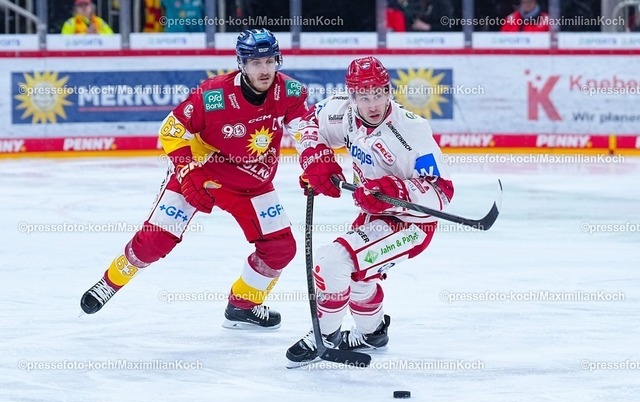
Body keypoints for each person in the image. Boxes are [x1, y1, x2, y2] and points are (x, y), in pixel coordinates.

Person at [80, 29, 309, 330]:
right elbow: (171, 129)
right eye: (256, 63)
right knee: (154, 241)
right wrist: (189, 172)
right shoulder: (213, 95)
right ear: (242, 64)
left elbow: (306, 133)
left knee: (280, 248)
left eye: (269, 61)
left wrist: (314, 163)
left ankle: (243, 305)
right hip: (204, 171)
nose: (264, 70)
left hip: (253, 182)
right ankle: (110, 282)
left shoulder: (290, 92)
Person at [285, 56, 454, 367]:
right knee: (358, 278)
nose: (372, 103)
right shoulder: (342, 111)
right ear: (352, 96)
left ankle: (326, 335)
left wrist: (395, 192)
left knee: (331, 262)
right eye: (363, 96)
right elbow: (307, 124)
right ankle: (372, 333)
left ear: (389, 90)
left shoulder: (412, 131)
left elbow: (441, 192)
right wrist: (315, 159)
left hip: (411, 224)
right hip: (372, 216)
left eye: (378, 93)